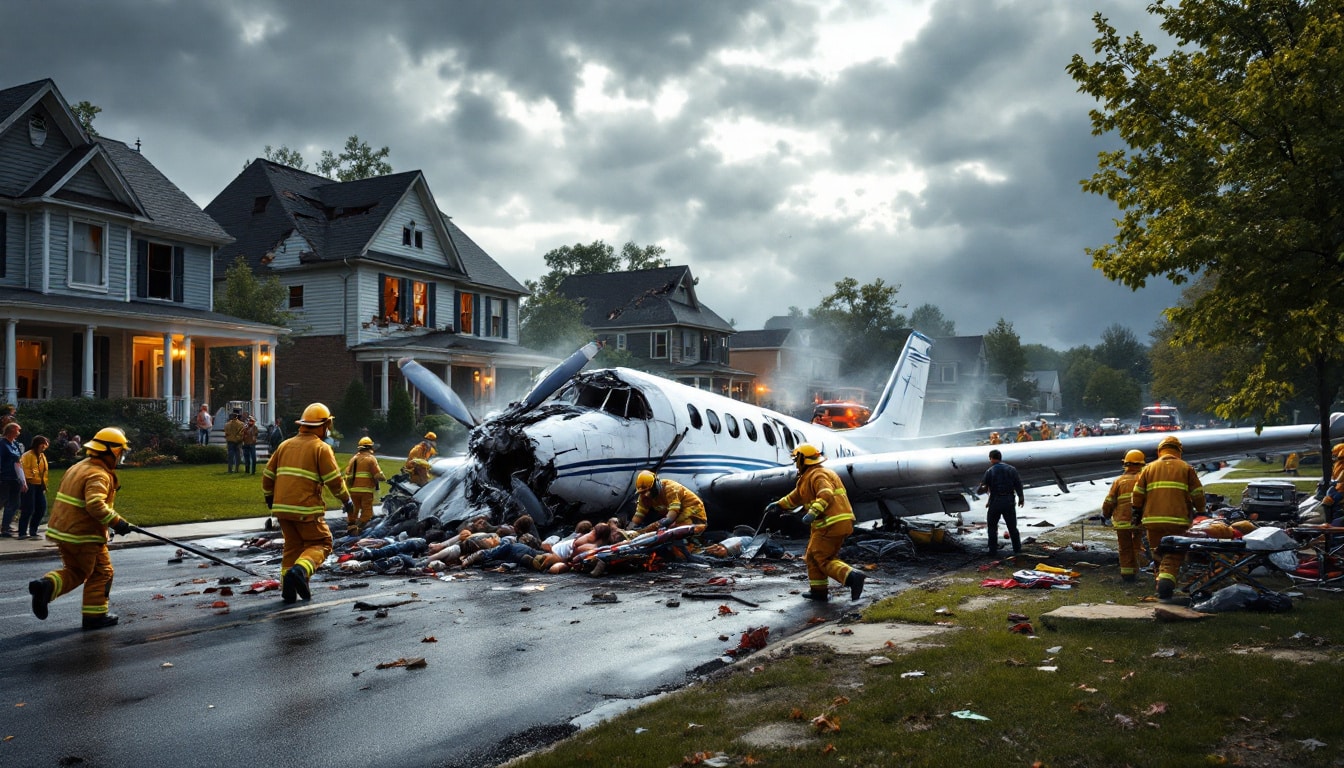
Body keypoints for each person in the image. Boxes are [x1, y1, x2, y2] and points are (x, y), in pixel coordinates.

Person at [27, 427, 134, 630]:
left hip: (64, 531)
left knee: (90, 570)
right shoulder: (98, 474)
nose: (120, 457)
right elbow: (95, 504)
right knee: (92, 573)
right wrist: (117, 522)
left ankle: (53, 589)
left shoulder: (80, 466)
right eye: (120, 452)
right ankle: (51, 590)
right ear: (110, 451)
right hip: (83, 534)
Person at [262, 402, 354, 604]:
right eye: (328, 425)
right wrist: (346, 500)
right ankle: (300, 571)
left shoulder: (284, 445)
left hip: (281, 510)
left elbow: (268, 475)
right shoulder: (321, 448)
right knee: (322, 543)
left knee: (292, 547)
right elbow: (334, 481)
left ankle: (289, 589)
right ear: (323, 424)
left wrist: (269, 497)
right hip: (305, 508)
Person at [763, 444, 864, 602]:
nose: (795, 462)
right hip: (829, 524)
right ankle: (819, 591)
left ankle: (852, 576)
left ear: (803, 459)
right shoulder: (807, 477)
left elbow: (826, 494)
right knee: (811, 556)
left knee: (821, 557)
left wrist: (812, 513)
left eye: (797, 459)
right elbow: (795, 497)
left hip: (831, 523)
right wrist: (779, 505)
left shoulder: (818, 474)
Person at [1131, 435, 1205, 602]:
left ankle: (1160, 581)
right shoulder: (1186, 468)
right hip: (1177, 521)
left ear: (1160, 451)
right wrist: (1201, 511)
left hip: (1152, 521)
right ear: (1179, 451)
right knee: (1173, 553)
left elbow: (1137, 494)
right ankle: (1166, 582)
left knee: (1158, 552)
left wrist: (1136, 511)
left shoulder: (1149, 468)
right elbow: (1198, 494)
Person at [1101, 449, 1146, 582]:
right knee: (1137, 546)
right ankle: (1138, 570)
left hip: (1122, 522)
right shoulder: (1143, 480)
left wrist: (1106, 514)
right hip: (1139, 521)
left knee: (1125, 548)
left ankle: (1127, 574)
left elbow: (1109, 501)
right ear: (1141, 464)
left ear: (1125, 464)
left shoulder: (1119, 481)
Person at [976, 448, 1024, 557]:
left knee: (992, 527)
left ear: (991, 459)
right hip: (1009, 501)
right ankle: (1017, 549)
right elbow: (1018, 485)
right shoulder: (1012, 469)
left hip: (995, 502)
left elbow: (982, 489)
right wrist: (1021, 498)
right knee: (1012, 527)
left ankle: (992, 551)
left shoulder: (990, 471)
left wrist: (980, 489)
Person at [628, 470, 708, 532]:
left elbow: (671, 517)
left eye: (648, 491)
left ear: (656, 484)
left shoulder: (671, 488)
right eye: (642, 492)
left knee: (673, 531)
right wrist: (629, 530)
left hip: (694, 513)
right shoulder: (644, 496)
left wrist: (654, 527)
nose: (646, 495)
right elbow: (639, 514)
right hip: (676, 516)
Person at [344, 436, 386, 536]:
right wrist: (383, 478)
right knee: (367, 512)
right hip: (366, 491)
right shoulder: (371, 459)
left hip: (353, 491)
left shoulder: (353, 459)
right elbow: (378, 475)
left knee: (353, 511)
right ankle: (360, 530)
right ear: (370, 447)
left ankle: (351, 528)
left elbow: (347, 476)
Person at [17, 435, 50, 540]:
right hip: (30, 484)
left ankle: (33, 530)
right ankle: (22, 532)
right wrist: (29, 480)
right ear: (38, 444)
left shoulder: (42, 456)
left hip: (39, 486)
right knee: (28, 508)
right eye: (43, 444)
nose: (45, 446)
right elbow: (25, 469)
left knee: (41, 508)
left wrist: (43, 485)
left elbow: (44, 471)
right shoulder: (27, 455)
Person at [0, 421, 28, 537]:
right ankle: (4, 528)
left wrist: (22, 480)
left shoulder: (14, 444)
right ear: (11, 431)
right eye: (17, 430)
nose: (19, 433)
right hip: (5, 478)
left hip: (15, 478)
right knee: (3, 501)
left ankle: (6, 526)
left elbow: (18, 462)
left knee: (15, 503)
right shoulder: (2, 444)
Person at [224, 409, 245, 473]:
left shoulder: (227, 424)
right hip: (238, 441)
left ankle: (230, 469)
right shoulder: (241, 424)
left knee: (230, 455)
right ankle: (237, 469)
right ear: (237, 416)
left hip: (230, 441)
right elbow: (242, 433)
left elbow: (226, 433)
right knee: (237, 455)